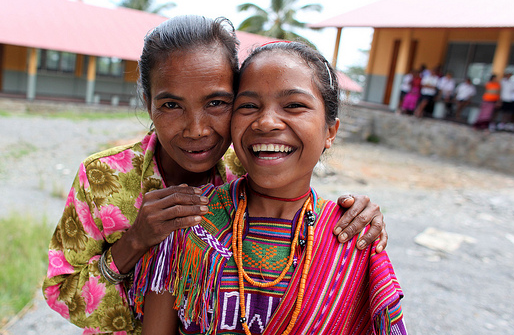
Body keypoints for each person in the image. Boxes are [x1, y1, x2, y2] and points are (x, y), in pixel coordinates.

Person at [42, 16, 388, 334]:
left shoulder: (250, 165)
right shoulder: (104, 179)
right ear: (149, 104)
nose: (196, 130)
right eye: (171, 105)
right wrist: (136, 241)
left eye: (216, 103)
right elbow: (62, 295)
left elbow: (301, 208)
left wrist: (359, 215)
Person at [137, 41, 405, 335]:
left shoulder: (354, 239)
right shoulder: (187, 223)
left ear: (330, 131)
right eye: (249, 106)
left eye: (294, 106)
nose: (266, 122)